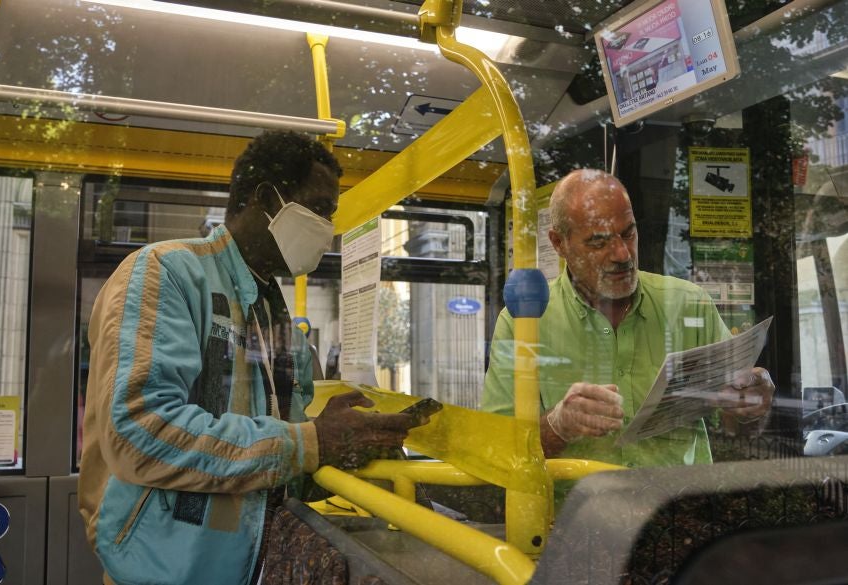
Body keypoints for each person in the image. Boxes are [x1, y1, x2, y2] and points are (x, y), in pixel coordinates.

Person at [78, 130, 417, 585]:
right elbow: (140, 431)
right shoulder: (167, 273)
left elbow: (278, 462)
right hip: (160, 568)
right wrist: (310, 443)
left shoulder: (277, 316)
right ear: (265, 198)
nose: (326, 228)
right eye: (317, 209)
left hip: (248, 565)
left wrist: (339, 445)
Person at [482, 169, 774, 481]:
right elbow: (496, 453)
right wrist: (557, 426)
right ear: (559, 243)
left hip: (676, 511)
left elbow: (735, 427)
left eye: (629, 233)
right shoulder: (524, 322)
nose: (622, 254)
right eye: (599, 241)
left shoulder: (690, 304)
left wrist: (750, 405)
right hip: (573, 518)